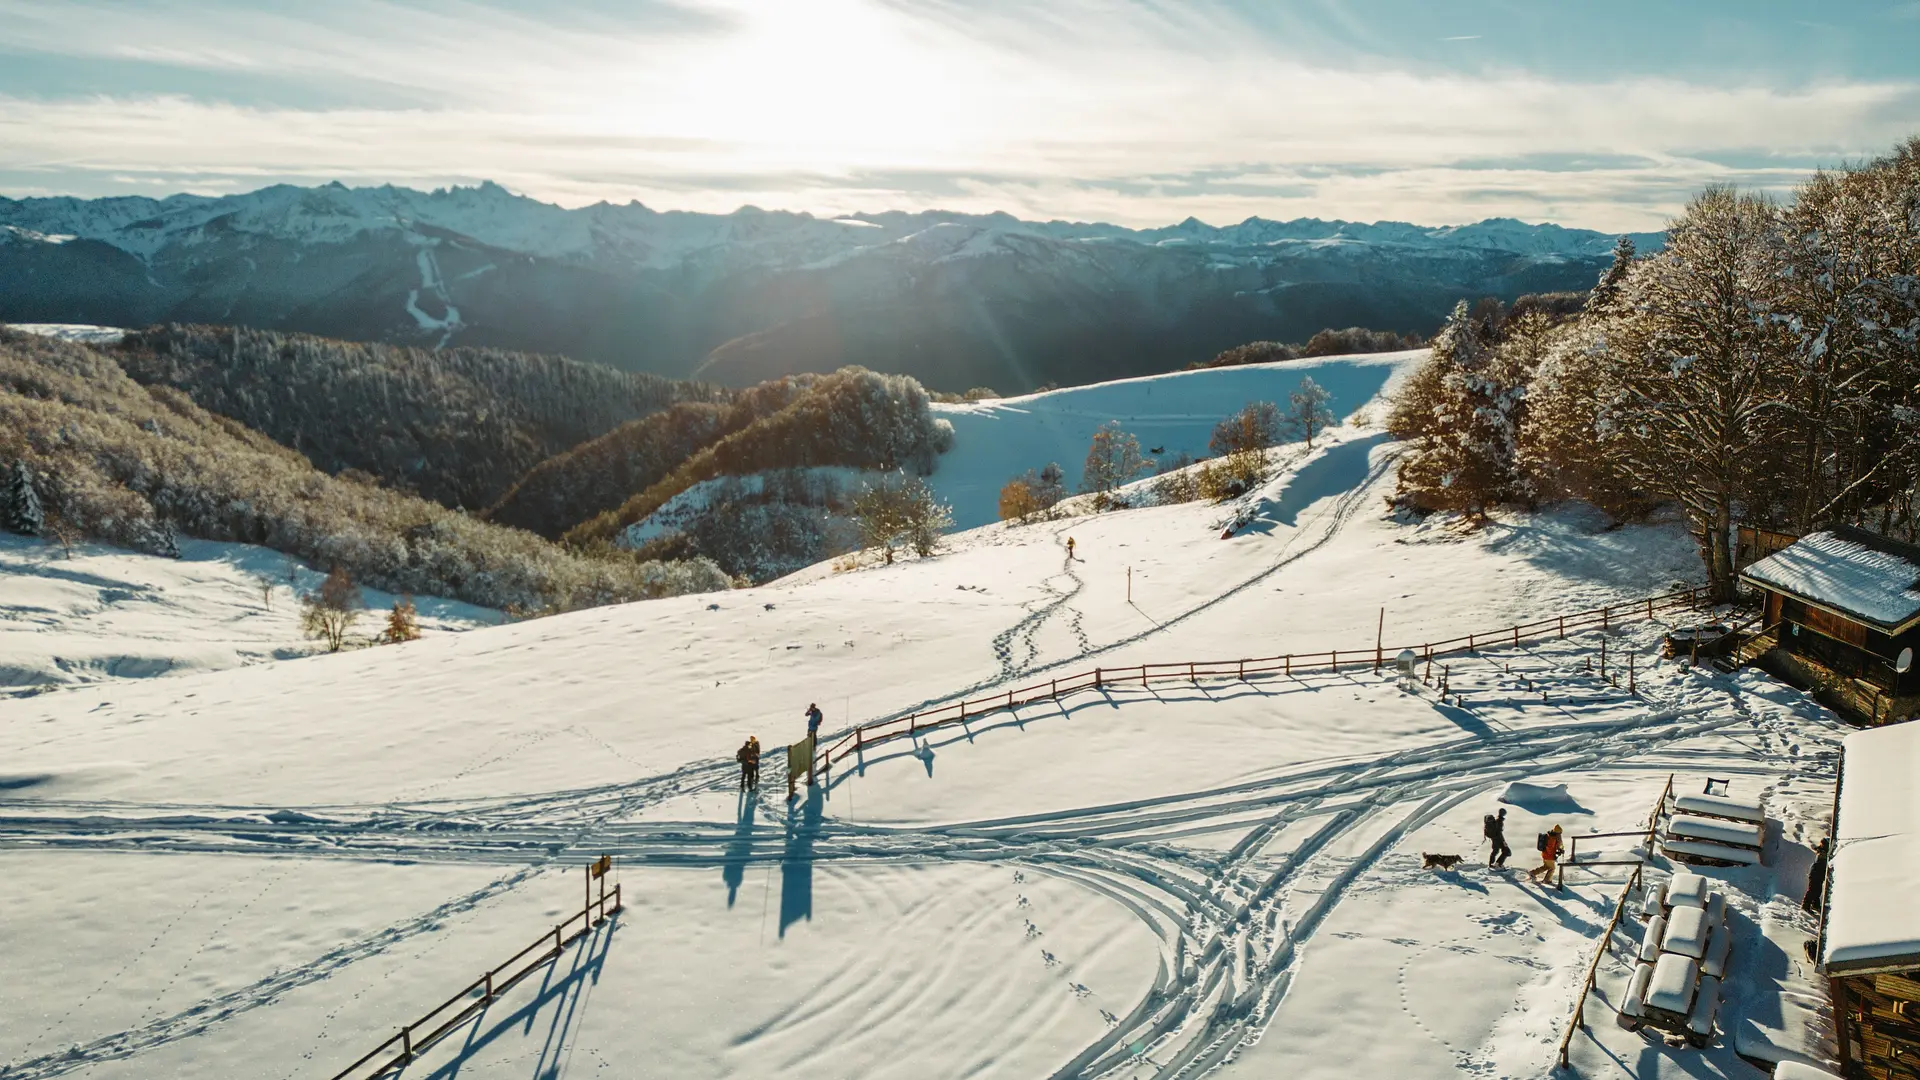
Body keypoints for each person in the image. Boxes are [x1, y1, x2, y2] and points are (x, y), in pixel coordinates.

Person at [1803, 837, 1830, 913]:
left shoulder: (1822, 852)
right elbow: (1823, 858)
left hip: (1818, 874)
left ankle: (1815, 905)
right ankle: (1806, 905)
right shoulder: (1822, 853)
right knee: (1813, 890)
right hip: (1816, 873)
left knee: (1818, 890)